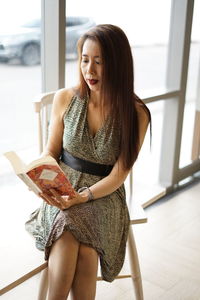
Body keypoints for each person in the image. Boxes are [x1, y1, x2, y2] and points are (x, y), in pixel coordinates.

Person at [25, 24, 151, 300]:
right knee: (72, 235)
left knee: (82, 242)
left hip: (105, 192)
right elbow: (51, 152)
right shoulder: (65, 99)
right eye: (85, 60)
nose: (89, 70)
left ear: (118, 65)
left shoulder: (136, 113)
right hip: (63, 187)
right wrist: (39, 178)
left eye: (99, 62)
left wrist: (84, 197)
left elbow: (119, 174)